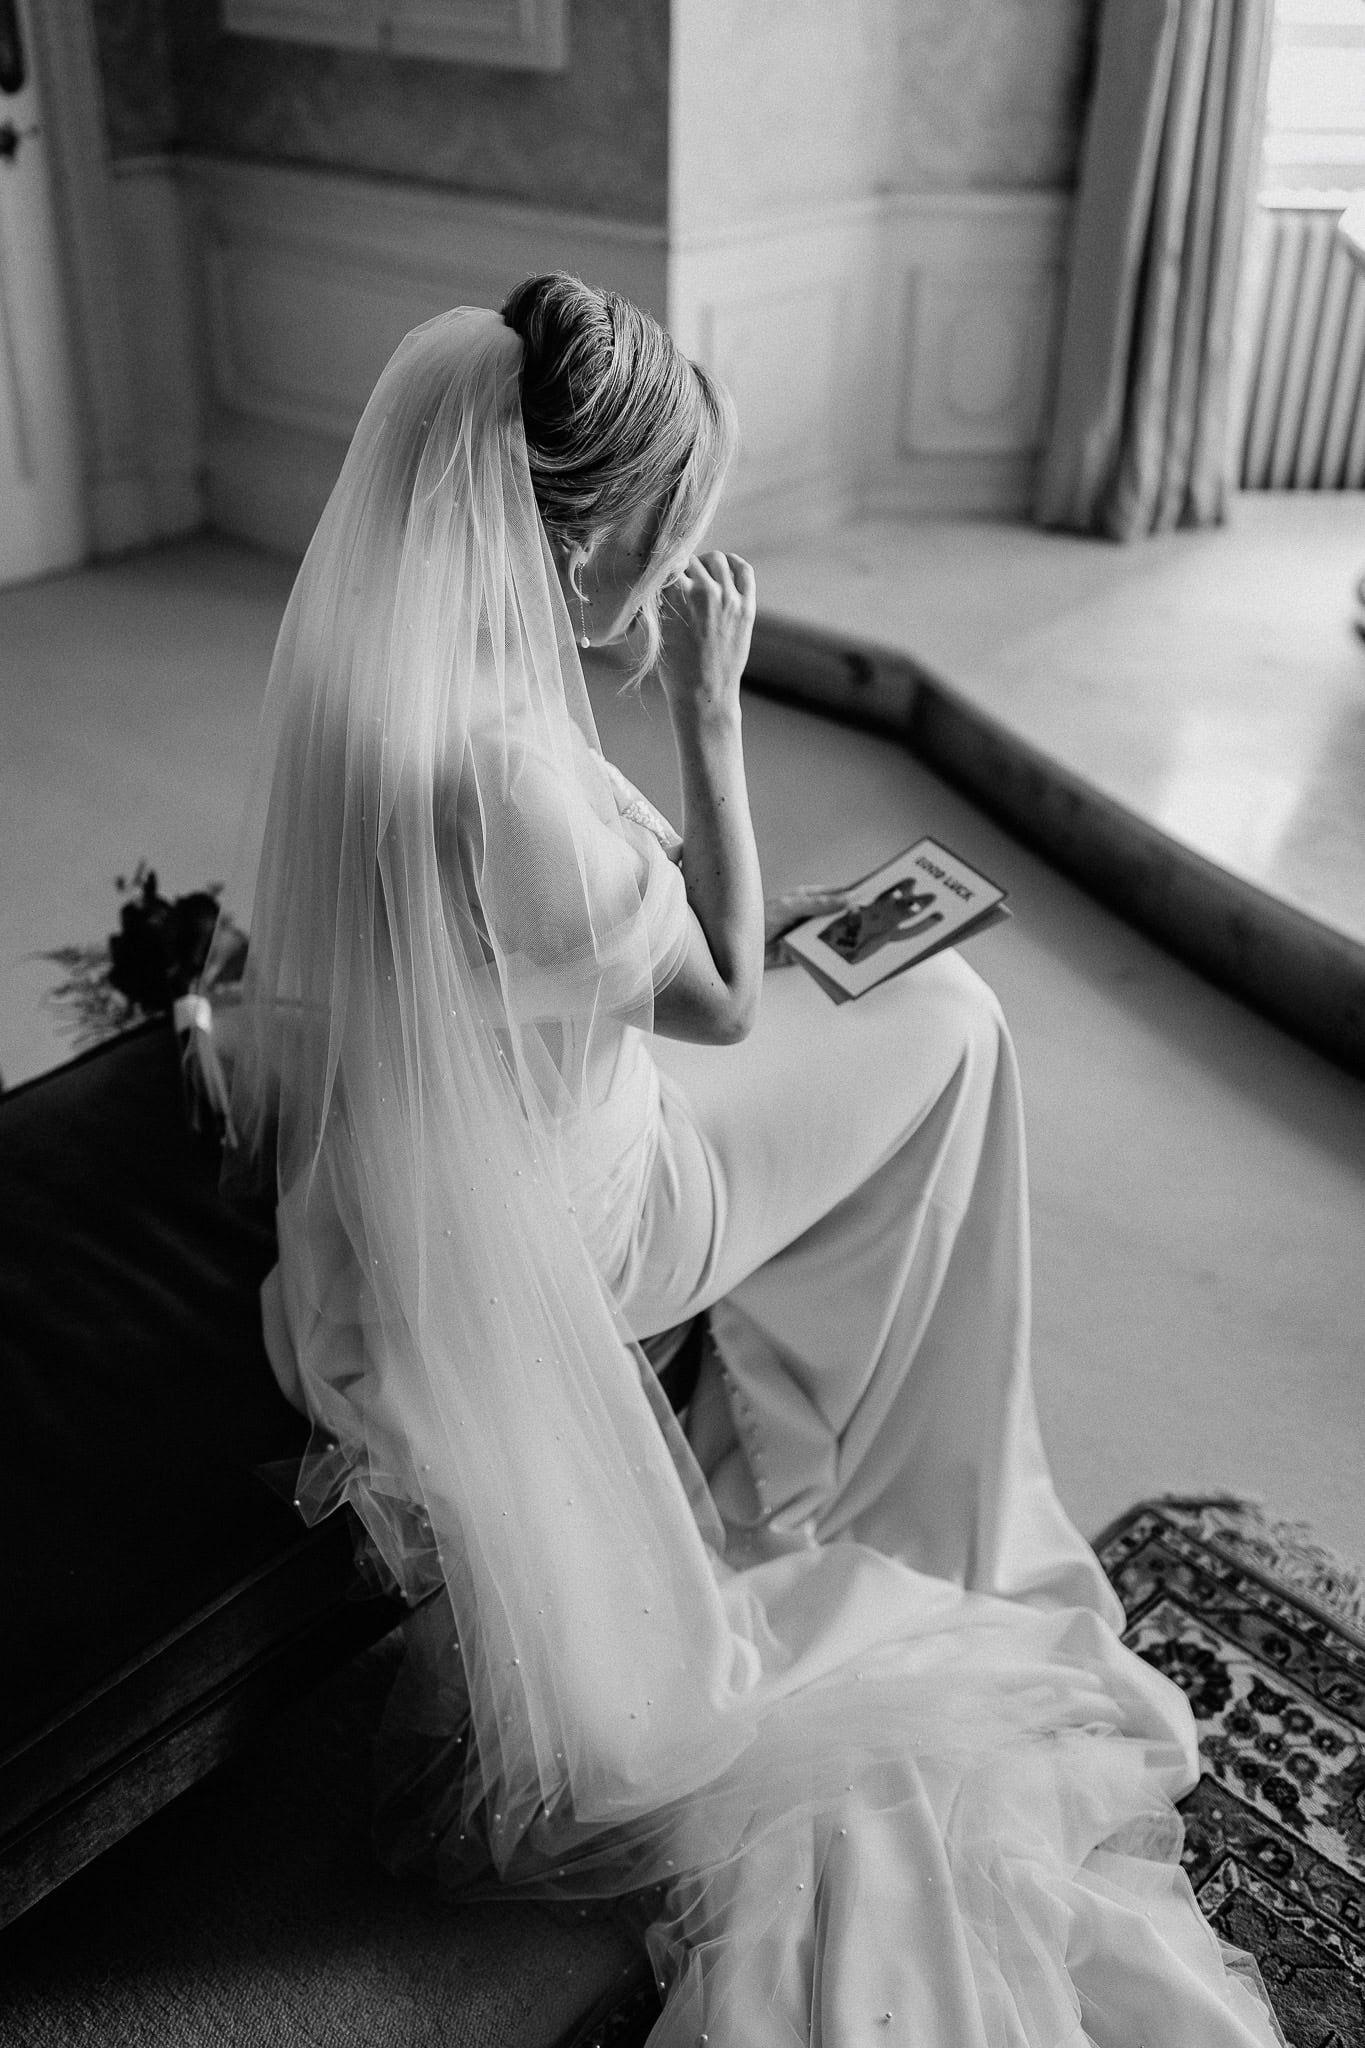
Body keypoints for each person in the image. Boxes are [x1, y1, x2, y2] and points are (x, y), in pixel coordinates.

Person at [211, 276, 1285, 2046]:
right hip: (599, 1214)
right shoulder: (514, 776)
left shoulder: (381, 669)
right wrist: (714, 710)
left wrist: (723, 920)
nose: (679, 563)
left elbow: (576, 954)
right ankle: (896, 1476)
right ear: (582, 539)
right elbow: (707, 1014)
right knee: (950, 1029)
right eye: (665, 528)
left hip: (430, 1177)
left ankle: (810, 1414)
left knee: (884, 993)